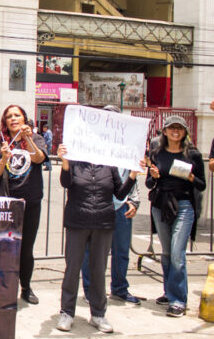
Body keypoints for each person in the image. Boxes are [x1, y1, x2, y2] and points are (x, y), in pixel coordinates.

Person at [55, 142, 141, 333]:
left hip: (103, 222)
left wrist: (133, 175)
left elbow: (119, 192)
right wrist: (65, 162)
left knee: (98, 270)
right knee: (72, 268)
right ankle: (67, 312)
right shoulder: (75, 162)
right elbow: (65, 183)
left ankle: (98, 314)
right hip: (77, 221)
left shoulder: (109, 165)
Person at [0, 104, 47, 305]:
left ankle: (26, 287)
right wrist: (3, 159)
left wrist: (27, 139)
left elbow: (39, 158)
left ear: (24, 119)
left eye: (17, 115)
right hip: (6, 202)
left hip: (31, 201)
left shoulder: (36, 139)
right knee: (3, 246)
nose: (13, 119)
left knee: (26, 247)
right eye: (9, 116)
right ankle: (3, 286)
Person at [81, 105, 141, 306]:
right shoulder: (91, 147)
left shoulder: (129, 148)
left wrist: (133, 201)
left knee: (121, 251)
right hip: (97, 206)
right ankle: (90, 291)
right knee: (90, 252)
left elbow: (133, 176)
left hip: (122, 206)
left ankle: (119, 289)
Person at [146, 115, 206, 317]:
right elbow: (148, 183)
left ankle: (179, 300)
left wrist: (191, 177)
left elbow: (202, 184)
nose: (175, 131)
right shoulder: (156, 153)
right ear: (164, 131)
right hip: (161, 205)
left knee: (177, 253)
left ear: (184, 132)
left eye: (179, 128)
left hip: (184, 206)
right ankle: (169, 291)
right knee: (166, 253)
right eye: (171, 128)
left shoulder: (194, 154)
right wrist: (153, 176)